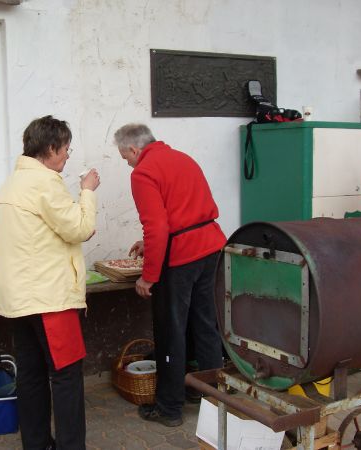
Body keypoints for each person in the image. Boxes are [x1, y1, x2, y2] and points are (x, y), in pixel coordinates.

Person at [0, 115, 100, 449]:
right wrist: (87, 192)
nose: (67, 156)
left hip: (19, 300)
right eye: (66, 149)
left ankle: (37, 444)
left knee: (32, 377)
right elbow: (80, 228)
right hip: (50, 299)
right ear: (51, 148)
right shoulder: (45, 183)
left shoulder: (11, 184)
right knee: (66, 378)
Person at [114, 123, 225, 427]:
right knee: (206, 328)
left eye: (126, 157)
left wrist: (148, 276)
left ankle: (169, 408)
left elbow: (158, 226)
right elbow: (181, 212)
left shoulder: (143, 172)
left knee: (170, 332)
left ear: (135, 149)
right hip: (212, 248)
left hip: (182, 258)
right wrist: (149, 244)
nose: (127, 162)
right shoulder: (184, 158)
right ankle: (211, 398)